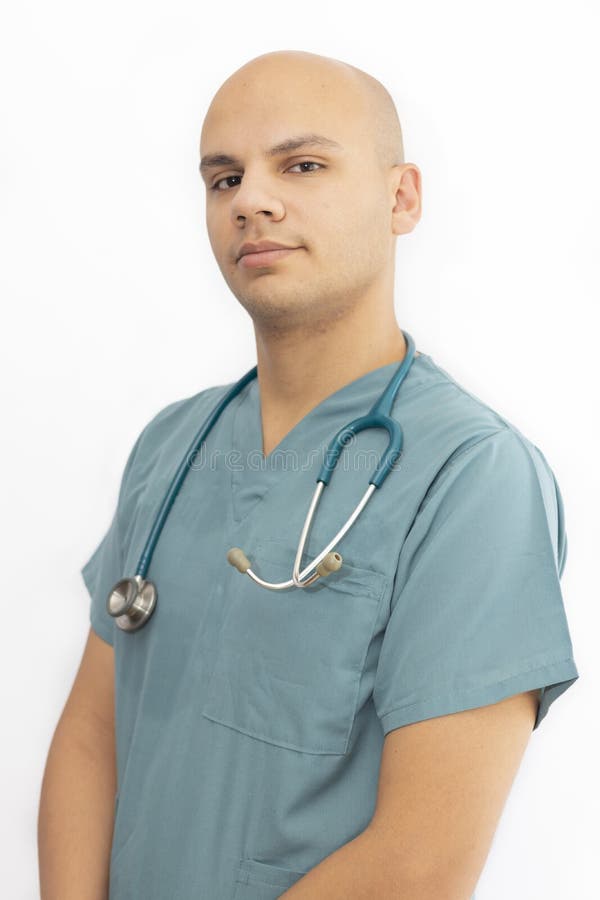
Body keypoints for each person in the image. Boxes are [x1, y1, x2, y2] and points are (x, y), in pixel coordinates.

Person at [38, 49, 579, 899]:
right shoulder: (173, 446)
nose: (251, 198)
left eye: (303, 164)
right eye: (223, 178)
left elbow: (421, 864)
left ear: (402, 198)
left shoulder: (473, 477)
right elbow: (91, 734)